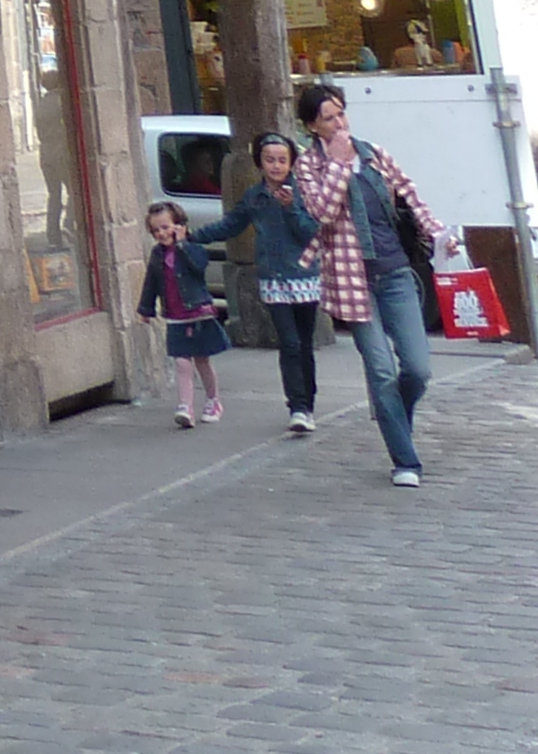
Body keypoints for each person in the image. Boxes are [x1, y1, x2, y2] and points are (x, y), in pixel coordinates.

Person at [295, 77, 452, 486]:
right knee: (381, 371)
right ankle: (406, 461)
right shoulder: (308, 166)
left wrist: (438, 233)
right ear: (312, 126)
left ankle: (392, 414)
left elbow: (410, 195)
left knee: (417, 368)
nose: (338, 123)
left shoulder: (374, 153)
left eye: (340, 113)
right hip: (351, 280)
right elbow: (323, 212)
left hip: (395, 270)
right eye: (327, 118)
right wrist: (340, 164)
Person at [213, 133, 329, 434]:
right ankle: (297, 407)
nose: (276, 166)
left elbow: (311, 233)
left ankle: (308, 404)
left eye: (282, 160)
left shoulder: (303, 191)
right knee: (288, 343)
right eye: (269, 160)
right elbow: (231, 224)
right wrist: (191, 237)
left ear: (291, 163)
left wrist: (292, 207)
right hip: (274, 279)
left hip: (303, 276)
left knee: (304, 344)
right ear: (260, 163)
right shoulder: (255, 196)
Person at [136, 201, 229, 424]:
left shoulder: (193, 247)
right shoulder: (157, 255)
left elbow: (199, 267)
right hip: (175, 316)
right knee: (181, 362)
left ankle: (213, 400)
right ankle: (185, 406)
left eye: (166, 227)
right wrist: (146, 308)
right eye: (156, 230)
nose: (161, 233)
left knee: (202, 360)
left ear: (180, 226)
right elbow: (151, 282)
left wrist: (182, 244)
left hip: (198, 312)